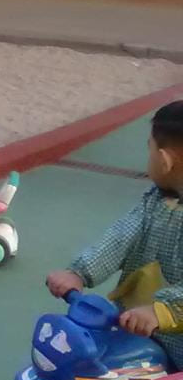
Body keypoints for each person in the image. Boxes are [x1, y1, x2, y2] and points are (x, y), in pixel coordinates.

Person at [47, 101, 183, 366]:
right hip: (137, 327)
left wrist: (164, 312)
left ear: (165, 160)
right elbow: (121, 235)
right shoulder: (155, 200)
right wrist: (80, 272)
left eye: (150, 150)